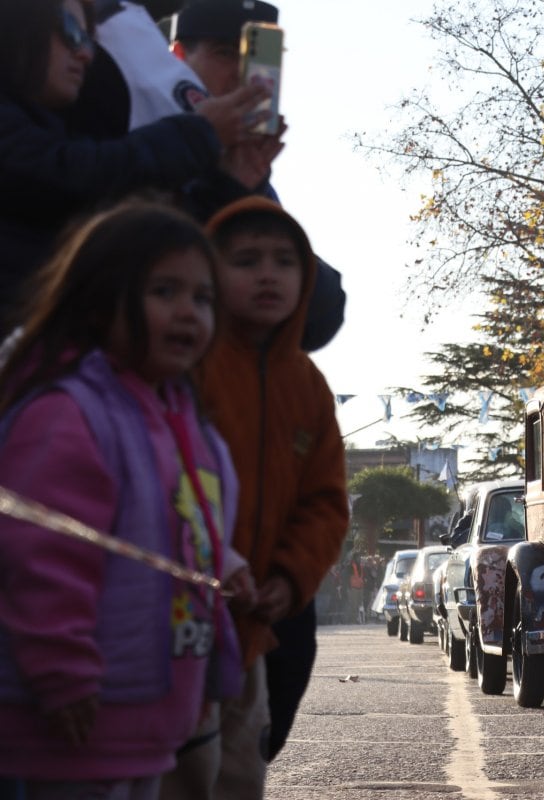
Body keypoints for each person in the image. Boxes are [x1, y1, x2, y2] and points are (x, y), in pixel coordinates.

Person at [0, 202, 254, 798]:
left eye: (203, 297)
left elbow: (174, 528)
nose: (188, 312)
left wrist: (229, 566)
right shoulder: (69, 414)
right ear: (96, 298)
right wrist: (62, 672)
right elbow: (42, 555)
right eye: (164, 290)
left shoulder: (179, 419)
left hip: (151, 715)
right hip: (74, 720)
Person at [160, 196, 348, 798]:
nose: (268, 274)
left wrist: (292, 578)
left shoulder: (309, 386)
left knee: (243, 770)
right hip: (180, 616)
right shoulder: (187, 366)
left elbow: (326, 501)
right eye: (245, 260)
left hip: (265, 619)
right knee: (180, 773)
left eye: (284, 262)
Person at [0, 0, 271, 333]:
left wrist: (231, 187)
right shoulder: (48, 145)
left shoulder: (55, 131)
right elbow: (69, 178)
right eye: (72, 33)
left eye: (89, 38)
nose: (86, 53)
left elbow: (155, 239)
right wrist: (200, 134)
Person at [162, 0, 345, 353]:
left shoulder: (250, 173)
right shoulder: (147, 144)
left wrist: (249, 191)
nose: (243, 75)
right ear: (179, 55)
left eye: (258, 60)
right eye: (226, 53)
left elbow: (321, 316)